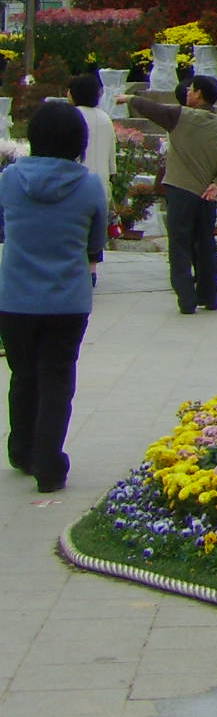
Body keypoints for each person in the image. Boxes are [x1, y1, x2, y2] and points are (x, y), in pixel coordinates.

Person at [0, 101, 108, 491]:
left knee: (23, 373)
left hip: (14, 299)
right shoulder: (89, 183)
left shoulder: (10, 179)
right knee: (57, 378)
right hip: (67, 299)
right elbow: (96, 240)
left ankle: (22, 449)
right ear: (79, 141)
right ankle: (49, 462)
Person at [130, 76, 217, 315]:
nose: (187, 92)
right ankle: (210, 295)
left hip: (181, 189)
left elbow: (154, 110)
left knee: (179, 244)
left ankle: (186, 298)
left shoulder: (183, 117)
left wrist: (130, 98)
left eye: (190, 89)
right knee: (205, 243)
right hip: (206, 194)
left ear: (199, 94)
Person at [67, 73, 115, 282]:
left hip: (76, 182)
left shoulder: (71, 116)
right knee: (94, 227)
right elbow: (111, 154)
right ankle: (92, 269)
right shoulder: (105, 118)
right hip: (101, 181)